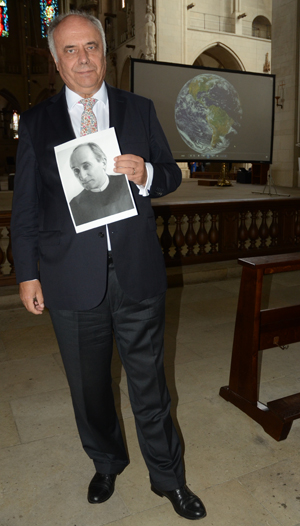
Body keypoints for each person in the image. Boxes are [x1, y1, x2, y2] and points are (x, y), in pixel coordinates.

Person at [10, 11, 206, 521]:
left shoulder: (138, 110)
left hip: (136, 273)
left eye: (91, 47)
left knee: (151, 386)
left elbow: (170, 176)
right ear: (56, 61)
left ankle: (169, 478)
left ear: (103, 51)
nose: (83, 59)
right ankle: (106, 461)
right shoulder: (35, 124)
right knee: (90, 388)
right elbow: (26, 209)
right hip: (70, 280)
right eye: (70, 50)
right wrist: (27, 273)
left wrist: (146, 175)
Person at [69, 142, 134, 226]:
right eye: (76, 171)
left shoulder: (127, 183)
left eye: (86, 166)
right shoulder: (74, 205)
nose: (83, 176)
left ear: (103, 163)